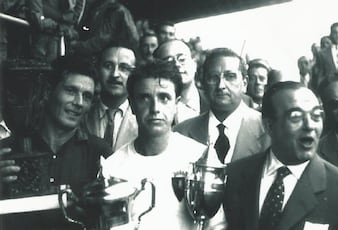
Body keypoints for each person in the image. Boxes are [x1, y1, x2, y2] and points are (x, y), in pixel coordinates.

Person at [224, 81, 338, 230]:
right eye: (296, 117)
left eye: (316, 116)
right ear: (269, 126)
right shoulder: (233, 175)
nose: (310, 126)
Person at [0, 55, 112, 229]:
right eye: (71, 91)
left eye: (87, 96)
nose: (79, 103)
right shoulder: (7, 151)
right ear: (48, 91)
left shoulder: (100, 153)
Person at [101, 60, 206, 230]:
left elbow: (217, 225)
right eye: (144, 98)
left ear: (176, 104)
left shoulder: (199, 158)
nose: (155, 108)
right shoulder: (112, 168)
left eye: (164, 98)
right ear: (132, 106)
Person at [175, 48, 270, 164]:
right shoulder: (182, 131)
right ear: (203, 83)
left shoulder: (267, 130)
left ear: (244, 83)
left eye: (230, 76)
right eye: (213, 78)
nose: (221, 85)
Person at [84, 44, 138, 151]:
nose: (115, 74)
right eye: (108, 66)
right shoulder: (83, 113)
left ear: (134, 74)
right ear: (98, 69)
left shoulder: (140, 118)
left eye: (124, 68)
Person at [154, 39, 203, 123]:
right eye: (169, 61)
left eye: (182, 59)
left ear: (194, 64)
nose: (177, 64)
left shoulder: (213, 103)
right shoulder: (154, 107)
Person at [70, 0, 139, 56]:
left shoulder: (115, 10)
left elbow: (101, 41)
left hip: (114, 56)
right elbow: (86, 29)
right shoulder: (98, 7)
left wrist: (76, 45)